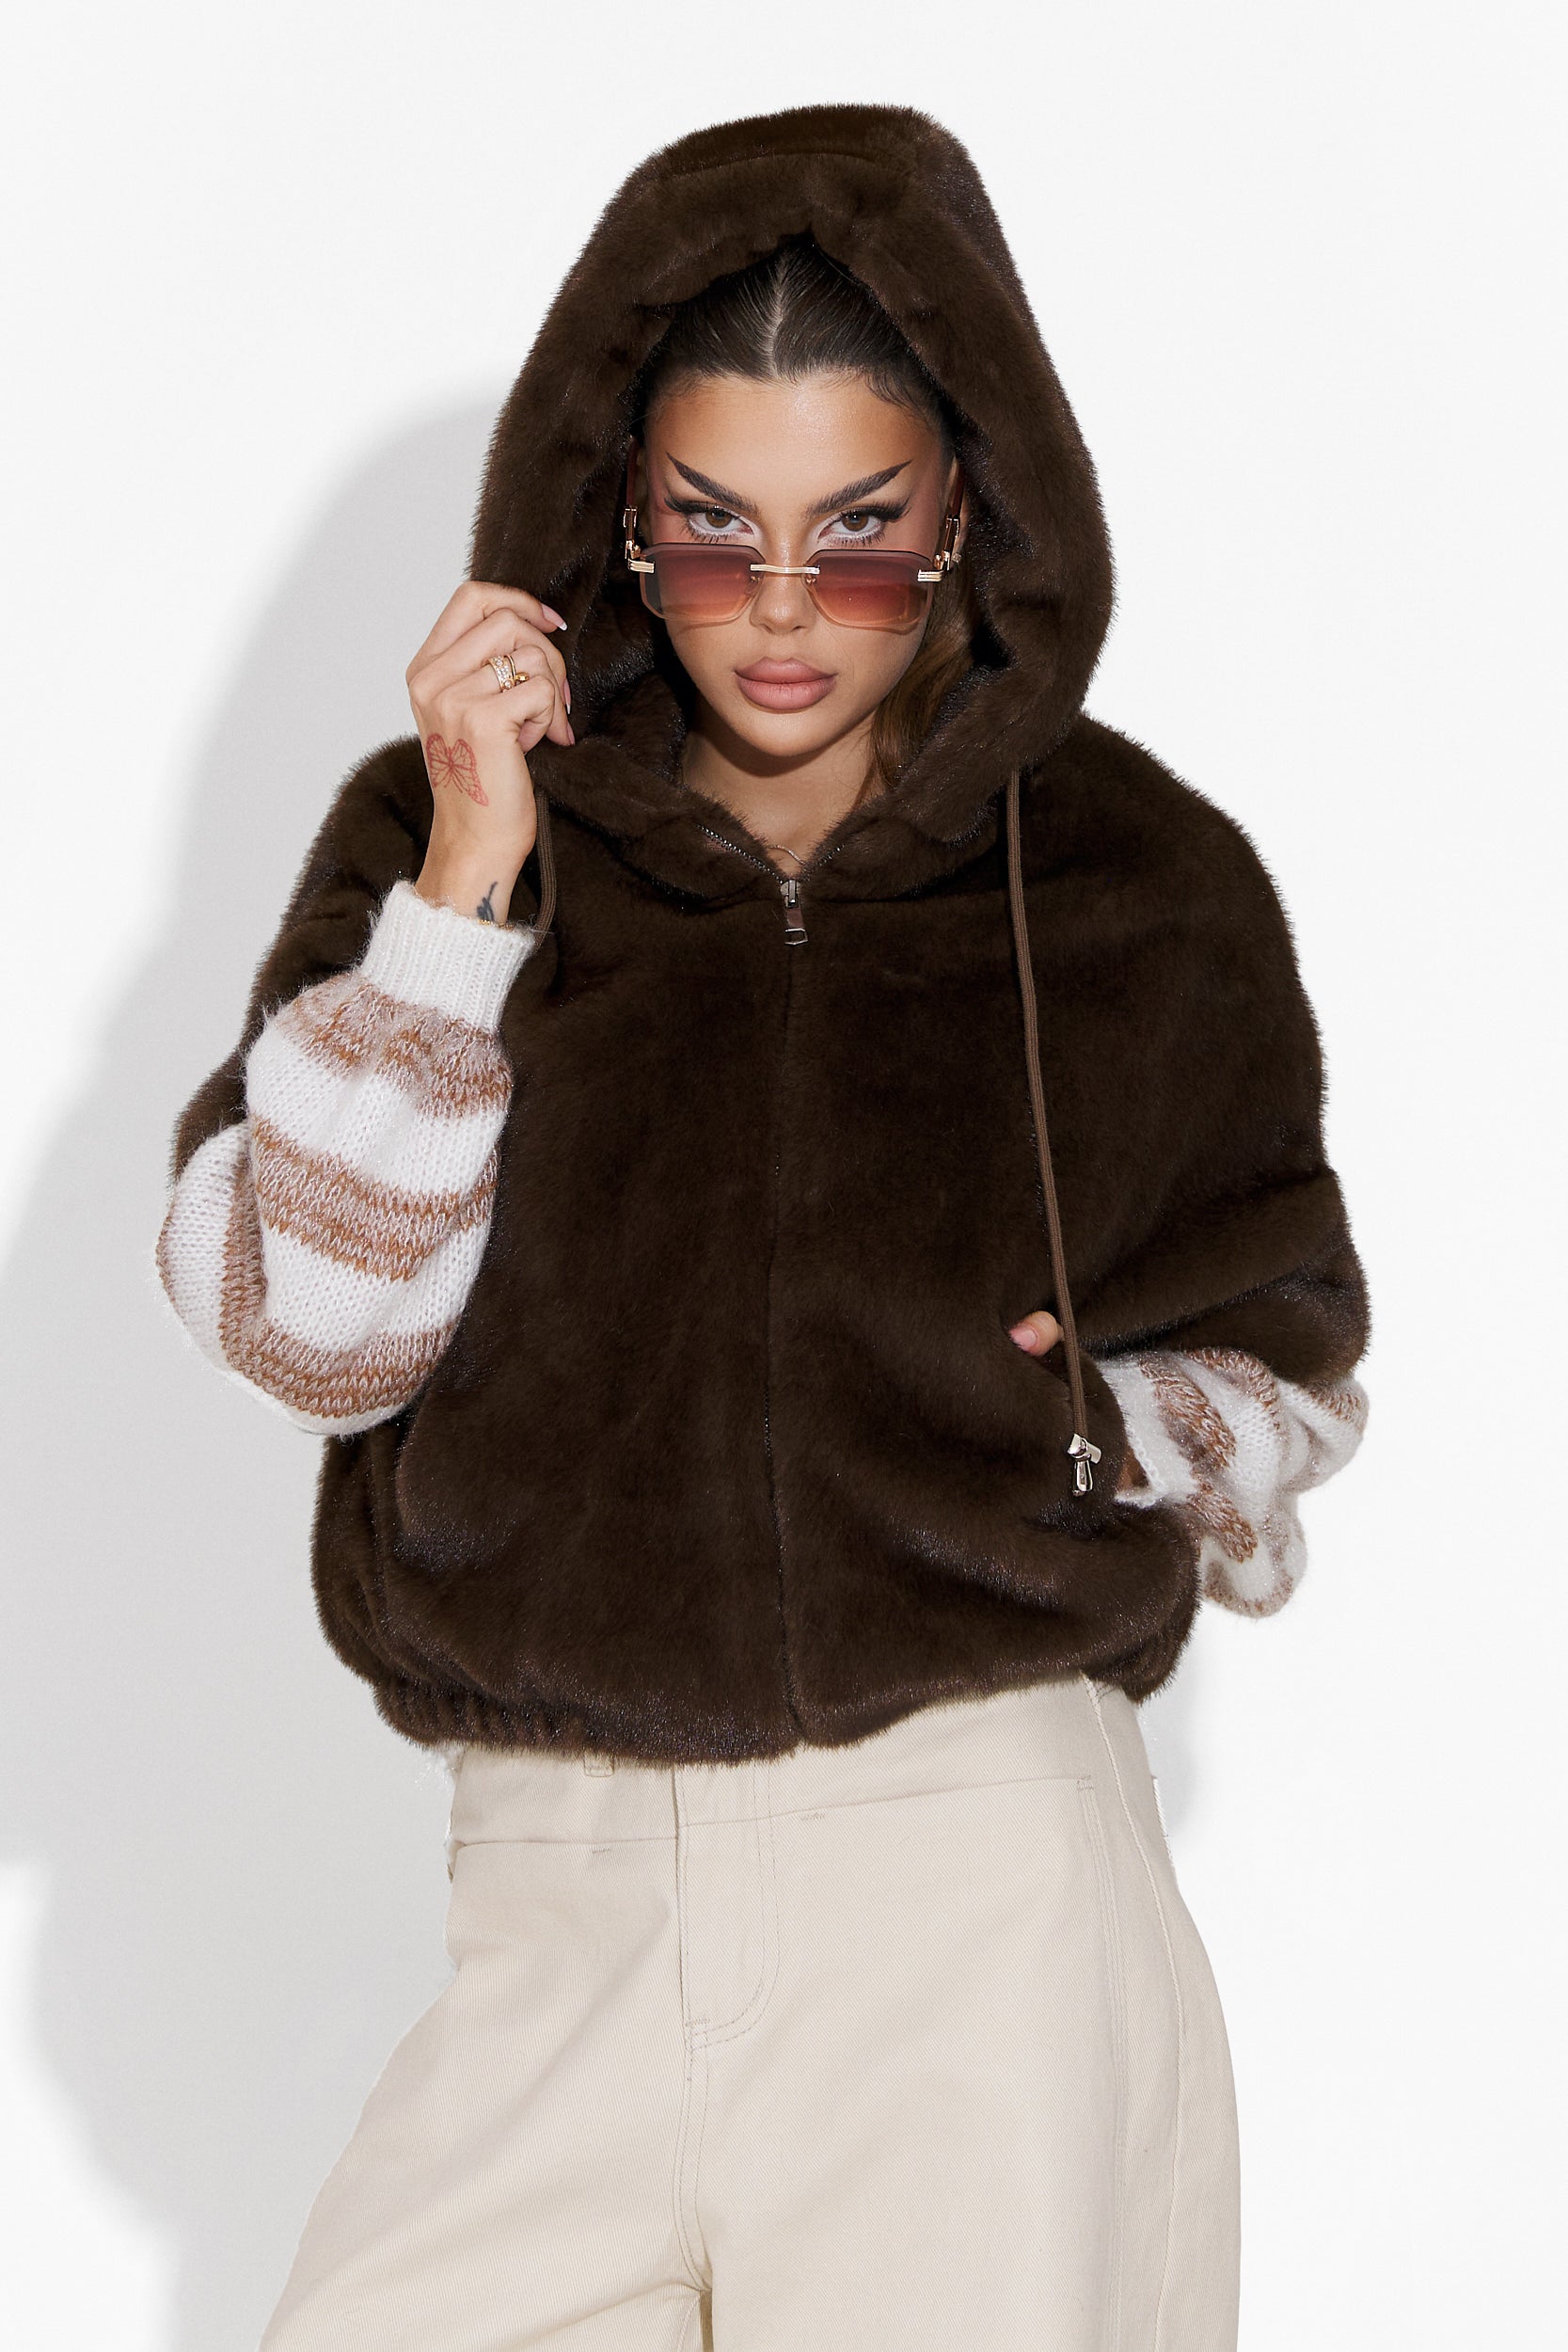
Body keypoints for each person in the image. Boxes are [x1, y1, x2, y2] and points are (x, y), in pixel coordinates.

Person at [153, 103, 1369, 2352]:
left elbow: (1283, 1349)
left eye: (861, 535)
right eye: (714, 533)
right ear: (618, 514)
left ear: (967, 508)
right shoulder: (442, 843)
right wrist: (463, 888)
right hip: (554, 1911)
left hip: (970, 1897)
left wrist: (1093, 1431)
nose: (786, 613)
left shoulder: (1138, 884)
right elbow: (308, 1333)